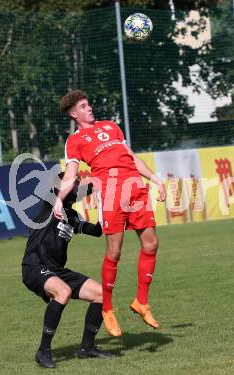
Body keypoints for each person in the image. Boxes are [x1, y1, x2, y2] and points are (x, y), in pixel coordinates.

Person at [53, 90, 166, 338]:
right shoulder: (75, 140)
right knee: (114, 251)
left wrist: (156, 180)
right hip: (113, 193)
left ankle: (141, 302)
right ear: (74, 114)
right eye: (83, 106)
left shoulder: (112, 127)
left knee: (152, 244)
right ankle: (106, 308)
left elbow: (132, 158)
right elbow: (71, 175)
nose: (89, 108)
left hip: (135, 188)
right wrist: (59, 201)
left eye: (88, 103)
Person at [22, 173, 113, 368]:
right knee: (63, 292)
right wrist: (96, 183)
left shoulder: (71, 216)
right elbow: (74, 190)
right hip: (35, 266)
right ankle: (43, 351)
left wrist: (104, 205)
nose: (77, 188)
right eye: (74, 184)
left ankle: (87, 348)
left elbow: (96, 231)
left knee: (101, 294)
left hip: (57, 270)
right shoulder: (50, 204)